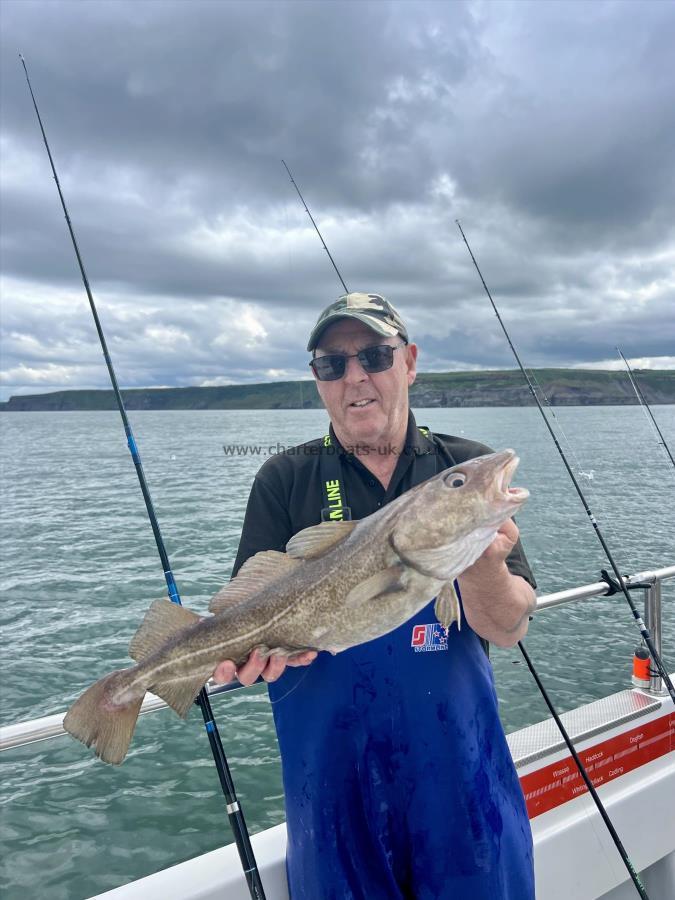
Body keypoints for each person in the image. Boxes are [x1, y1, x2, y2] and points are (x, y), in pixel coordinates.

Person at [213, 292, 537, 900]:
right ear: (318, 381)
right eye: (332, 365)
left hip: (461, 778)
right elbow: (245, 619)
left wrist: (480, 559)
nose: (354, 377)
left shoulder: (460, 466)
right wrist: (241, 664)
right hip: (330, 788)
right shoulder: (284, 478)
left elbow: (509, 626)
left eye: (373, 356)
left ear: (409, 362)